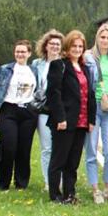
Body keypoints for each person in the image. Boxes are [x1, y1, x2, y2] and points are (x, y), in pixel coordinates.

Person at [46, 30, 96, 203]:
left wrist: (91, 120)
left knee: (73, 162)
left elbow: (90, 95)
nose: (77, 49)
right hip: (64, 121)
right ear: (67, 47)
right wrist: (60, 118)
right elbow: (53, 93)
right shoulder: (59, 65)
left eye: (80, 46)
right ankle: (55, 195)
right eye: (74, 46)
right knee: (59, 159)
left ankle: (70, 194)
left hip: (81, 121)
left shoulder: (85, 69)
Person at [0, 39, 39, 192]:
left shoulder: (33, 70)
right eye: (17, 51)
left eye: (23, 51)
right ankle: (3, 183)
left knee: (24, 149)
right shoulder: (5, 70)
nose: (20, 54)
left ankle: (21, 183)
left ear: (29, 53)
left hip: (28, 113)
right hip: (8, 111)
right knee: (9, 147)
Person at [83, 24, 108, 204]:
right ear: (97, 38)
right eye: (102, 37)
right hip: (93, 107)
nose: (105, 40)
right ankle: (95, 189)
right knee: (91, 149)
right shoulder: (88, 58)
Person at [32, 30, 63, 189]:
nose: (55, 47)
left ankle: (60, 180)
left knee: (61, 147)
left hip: (60, 111)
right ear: (45, 45)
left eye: (58, 44)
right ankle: (47, 181)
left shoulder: (65, 64)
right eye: (52, 44)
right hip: (43, 110)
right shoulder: (37, 64)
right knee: (46, 148)